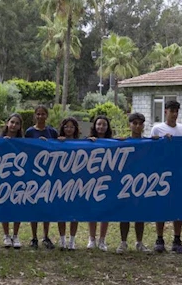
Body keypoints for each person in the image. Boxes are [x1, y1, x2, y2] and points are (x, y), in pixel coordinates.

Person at [150, 100, 182, 254]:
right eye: (171, 111)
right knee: (161, 205)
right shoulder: (157, 128)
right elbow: (151, 149)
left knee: (178, 206)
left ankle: (177, 239)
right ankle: (159, 238)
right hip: (162, 172)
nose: (174, 114)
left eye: (176, 111)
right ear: (165, 111)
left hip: (179, 171)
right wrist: (162, 141)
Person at [24, 105, 59, 250]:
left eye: (43, 114)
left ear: (47, 116)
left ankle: (46, 236)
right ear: (35, 116)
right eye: (38, 114)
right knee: (34, 204)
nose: (40, 116)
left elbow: (58, 149)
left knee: (46, 204)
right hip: (33, 172)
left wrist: (49, 144)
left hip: (48, 172)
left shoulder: (52, 132)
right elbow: (24, 149)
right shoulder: (29, 132)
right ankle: (34, 237)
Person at [117, 112, 150, 254]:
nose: (137, 126)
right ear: (129, 125)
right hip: (126, 182)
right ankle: (123, 242)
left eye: (140, 123)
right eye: (134, 123)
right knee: (124, 213)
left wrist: (160, 141)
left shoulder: (148, 143)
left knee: (140, 213)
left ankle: (139, 242)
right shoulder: (124, 142)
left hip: (142, 182)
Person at [87, 115, 114, 252]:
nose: (101, 127)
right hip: (91, 180)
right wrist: (88, 142)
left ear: (107, 127)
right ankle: (92, 239)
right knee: (92, 209)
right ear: (94, 126)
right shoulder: (88, 141)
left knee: (105, 210)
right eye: (99, 124)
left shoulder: (113, 142)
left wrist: (122, 141)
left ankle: (102, 240)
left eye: (104, 124)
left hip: (107, 179)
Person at [0, 113, 24, 249]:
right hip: (3, 177)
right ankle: (6, 235)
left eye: (17, 123)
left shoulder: (23, 141)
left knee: (17, 206)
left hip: (19, 177)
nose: (14, 125)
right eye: (12, 122)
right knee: (5, 205)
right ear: (7, 123)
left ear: (20, 126)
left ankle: (15, 235)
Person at [56, 116, 81, 250]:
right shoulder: (57, 142)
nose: (69, 129)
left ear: (76, 129)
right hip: (60, 182)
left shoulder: (82, 143)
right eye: (66, 127)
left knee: (74, 212)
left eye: (72, 127)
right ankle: (62, 240)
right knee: (61, 212)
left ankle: (72, 240)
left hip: (77, 182)